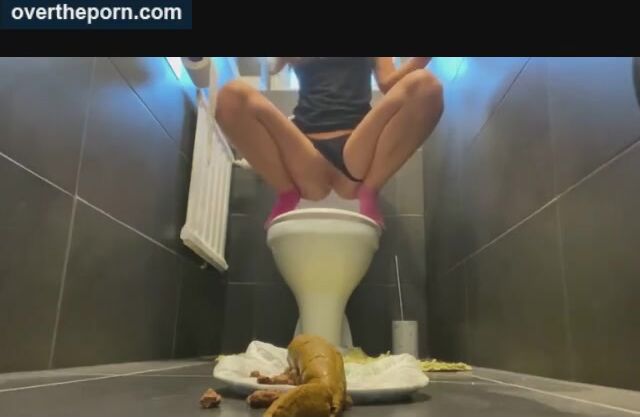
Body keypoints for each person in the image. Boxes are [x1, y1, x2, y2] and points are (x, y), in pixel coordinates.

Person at [215, 57, 444, 228]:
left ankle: (370, 190)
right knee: (231, 95)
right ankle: (286, 192)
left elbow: (388, 83)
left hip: (356, 150)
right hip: (305, 153)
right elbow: (273, 66)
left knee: (427, 85)